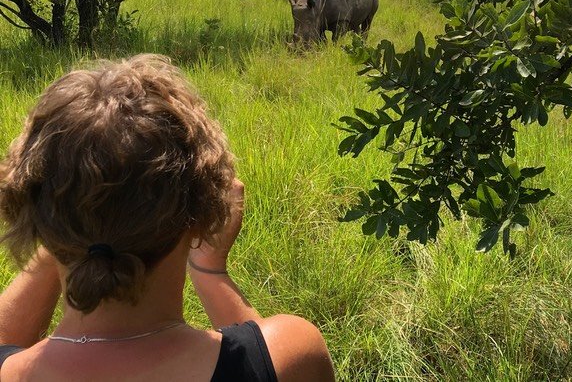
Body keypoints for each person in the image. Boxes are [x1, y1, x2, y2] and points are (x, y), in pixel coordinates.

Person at [0, 54, 336, 381]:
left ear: (31, 213)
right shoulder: (291, 353)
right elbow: (260, 360)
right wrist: (210, 269)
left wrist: (68, 226)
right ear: (206, 213)